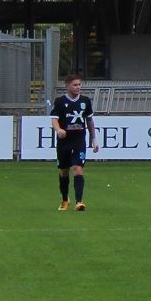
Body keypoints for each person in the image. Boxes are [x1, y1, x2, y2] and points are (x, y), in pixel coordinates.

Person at [50, 73, 99, 211]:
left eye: (79, 84)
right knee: (64, 171)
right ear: (67, 86)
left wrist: (94, 139)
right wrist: (58, 130)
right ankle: (65, 199)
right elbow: (54, 119)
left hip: (79, 139)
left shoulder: (85, 101)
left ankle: (79, 202)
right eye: (75, 85)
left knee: (77, 168)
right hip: (64, 140)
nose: (78, 87)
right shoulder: (60, 101)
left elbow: (89, 121)